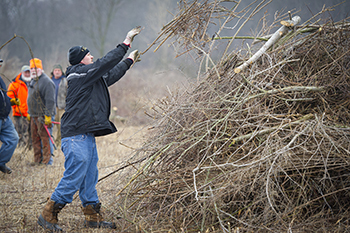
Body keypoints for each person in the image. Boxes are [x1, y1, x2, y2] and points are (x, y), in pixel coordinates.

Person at [37, 26, 141, 232]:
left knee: (89, 174)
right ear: (80, 60)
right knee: (75, 174)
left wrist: (128, 61)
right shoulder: (78, 74)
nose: (92, 56)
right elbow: (104, 64)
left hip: (86, 134)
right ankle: (49, 213)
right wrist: (126, 42)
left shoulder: (90, 77)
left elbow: (109, 74)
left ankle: (92, 216)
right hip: (75, 135)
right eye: (88, 54)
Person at [27, 58, 55, 165]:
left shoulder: (47, 82)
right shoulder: (33, 80)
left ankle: (47, 162)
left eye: (35, 68)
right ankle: (37, 160)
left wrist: (48, 115)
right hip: (34, 115)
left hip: (43, 116)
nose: (33, 70)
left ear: (40, 69)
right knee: (35, 139)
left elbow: (50, 101)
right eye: (31, 68)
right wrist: (29, 113)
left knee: (45, 139)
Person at [0, 59, 20, 174]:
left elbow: (3, 96)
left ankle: (1, 162)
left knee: (13, 139)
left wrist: (10, 101)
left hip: (5, 118)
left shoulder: (0, 79)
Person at [7, 65, 31, 148]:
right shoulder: (15, 84)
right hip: (19, 114)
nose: (27, 74)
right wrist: (18, 109)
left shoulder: (33, 83)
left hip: (31, 113)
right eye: (26, 72)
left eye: (29, 72)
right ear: (22, 72)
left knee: (30, 133)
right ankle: (20, 150)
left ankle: (29, 150)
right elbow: (9, 98)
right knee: (20, 133)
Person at [50, 64, 67, 146]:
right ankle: (51, 142)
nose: (57, 72)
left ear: (61, 72)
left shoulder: (65, 81)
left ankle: (59, 142)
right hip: (51, 108)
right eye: (55, 70)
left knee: (61, 126)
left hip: (62, 107)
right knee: (51, 126)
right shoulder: (49, 80)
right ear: (53, 72)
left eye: (58, 70)